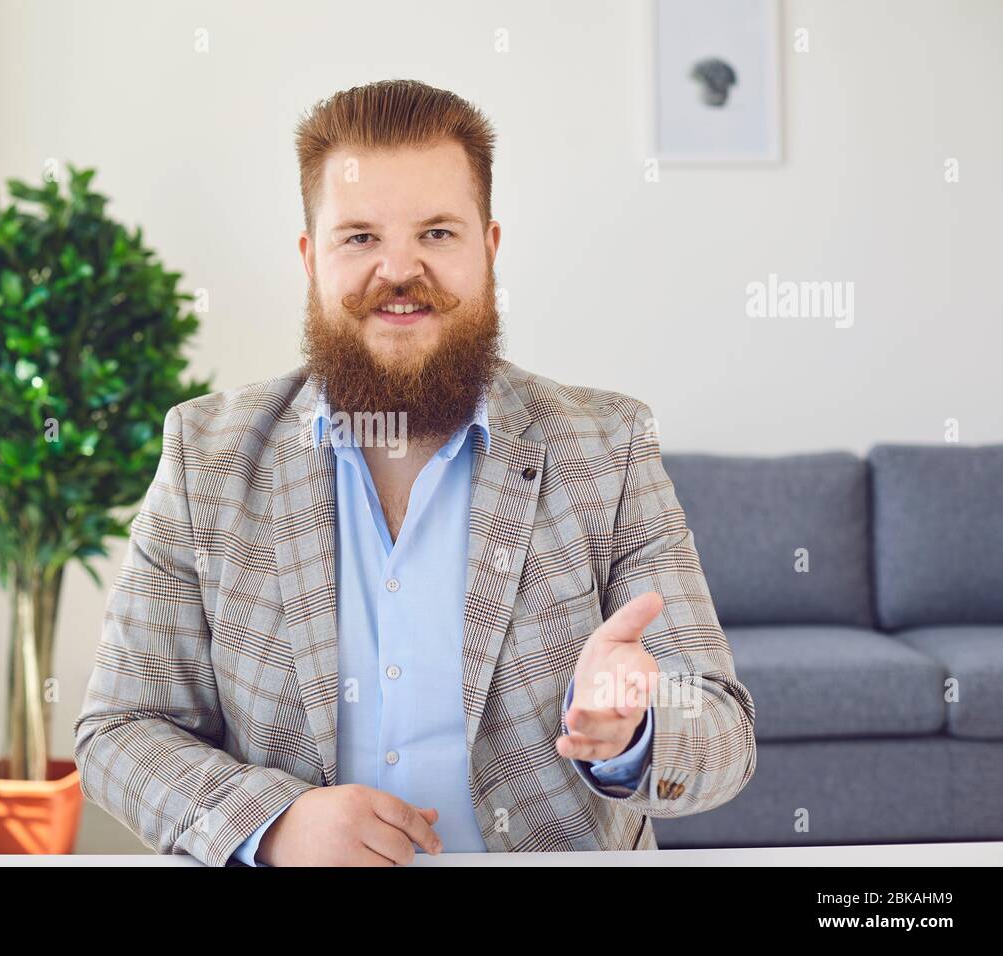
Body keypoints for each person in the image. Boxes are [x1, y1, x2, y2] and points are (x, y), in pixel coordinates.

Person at [74, 78, 756, 867]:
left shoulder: (608, 446)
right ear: (310, 259)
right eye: (359, 237)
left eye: (436, 233)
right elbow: (119, 731)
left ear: (488, 249)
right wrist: (275, 824)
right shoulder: (207, 456)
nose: (400, 271)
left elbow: (724, 733)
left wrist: (638, 728)